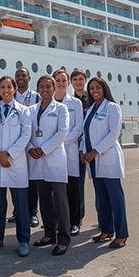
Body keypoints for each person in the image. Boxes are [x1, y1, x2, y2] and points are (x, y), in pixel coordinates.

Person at [0, 76, 31, 256]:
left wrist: (8, 154)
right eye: (2, 87)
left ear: (14, 89)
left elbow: (26, 135)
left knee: (21, 205)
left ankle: (24, 239)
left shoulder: (24, 111)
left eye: (9, 87)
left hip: (15, 162)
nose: (6, 90)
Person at [80, 77, 128, 249]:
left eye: (98, 87)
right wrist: (82, 151)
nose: (94, 91)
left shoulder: (112, 107)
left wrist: (94, 152)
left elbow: (113, 133)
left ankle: (122, 234)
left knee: (116, 198)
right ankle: (107, 230)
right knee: (102, 199)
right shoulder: (91, 108)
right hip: (93, 161)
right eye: (91, 88)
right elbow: (85, 133)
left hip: (107, 159)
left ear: (104, 89)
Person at [27, 75, 70, 256]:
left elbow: (62, 132)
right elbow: (25, 132)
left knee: (60, 200)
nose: (44, 89)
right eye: (41, 86)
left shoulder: (61, 109)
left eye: (48, 87)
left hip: (53, 159)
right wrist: (30, 148)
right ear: (38, 89)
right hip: (37, 159)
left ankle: (64, 239)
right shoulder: (30, 110)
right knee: (44, 199)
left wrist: (43, 149)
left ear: (54, 89)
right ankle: (49, 234)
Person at [53, 70, 84, 236]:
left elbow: (78, 128)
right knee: (56, 190)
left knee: (72, 189)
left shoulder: (76, 103)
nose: (61, 83)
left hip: (69, 151)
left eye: (63, 80)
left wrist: (58, 142)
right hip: (53, 153)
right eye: (57, 80)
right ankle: (58, 220)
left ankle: (74, 222)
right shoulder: (49, 102)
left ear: (68, 83)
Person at [8, 67, 40, 228]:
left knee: (32, 181)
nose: (20, 78)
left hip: (31, 144)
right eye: (18, 76)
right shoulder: (9, 96)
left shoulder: (36, 97)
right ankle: (18, 211)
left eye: (23, 75)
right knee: (15, 179)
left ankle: (32, 213)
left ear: (29, 78)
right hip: (14, 146)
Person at [71, 69, 89, 223]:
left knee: (81, 183)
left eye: (80, 79)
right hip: (73, 146)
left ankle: (80, 216)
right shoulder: (69, 100)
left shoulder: (91, 98)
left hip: (88, 147)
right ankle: (72, 215)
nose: (78, 82)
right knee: (73, 184)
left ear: (85, 80)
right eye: (75, 79)